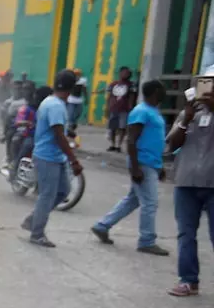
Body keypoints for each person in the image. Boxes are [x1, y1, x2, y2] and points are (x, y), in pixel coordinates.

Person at [90, 80, 169, 256]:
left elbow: (154, 140)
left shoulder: (153, 111)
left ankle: (102, 225)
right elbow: (131, 140)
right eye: (163, 89)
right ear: (155, 91)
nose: (166, 92)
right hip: (142, 162)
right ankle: (147, 240)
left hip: (151, 162)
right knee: (150, 202)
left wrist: (160, 166)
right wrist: (135, 168)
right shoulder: (141, 111)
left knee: (133, 199)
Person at [21, 70, 84, 247]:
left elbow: (59, 131)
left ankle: (33, 220)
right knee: (47, 196)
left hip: (55, 157)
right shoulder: (55, 105)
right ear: (71, 88)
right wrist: (74, 160)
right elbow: (58, 135)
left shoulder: (51, 102)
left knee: (63, 191)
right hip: (47, 157)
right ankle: (37, 233)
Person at [164, 81, 214, 297]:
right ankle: (188, 280)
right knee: (186, 233)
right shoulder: (191, 112)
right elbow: (172, 144)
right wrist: (186, 118)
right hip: (186, 181)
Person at [105, 66, 136, 152]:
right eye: (124, 72)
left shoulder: (131, 85)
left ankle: (119, 145)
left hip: (124, 109)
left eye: (127, 73)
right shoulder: (113, 84)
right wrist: (107, 107)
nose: (125, 74)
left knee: (122, 127)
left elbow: (132, 97)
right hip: (113, 108)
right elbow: (109, 97)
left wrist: (130, 109)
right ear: (120, 73)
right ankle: (112, 144)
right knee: (112, 127)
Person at [66, 69, 88, 141]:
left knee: (78, 114)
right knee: (70, 114)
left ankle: (73, 126)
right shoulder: (71, 81)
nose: (77, 76)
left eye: (78, 74)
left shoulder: (83, 81)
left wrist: (86, 98)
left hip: (79, 100)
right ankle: (69, 128)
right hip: (71, 100)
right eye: (76, 74)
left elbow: (84, 90)